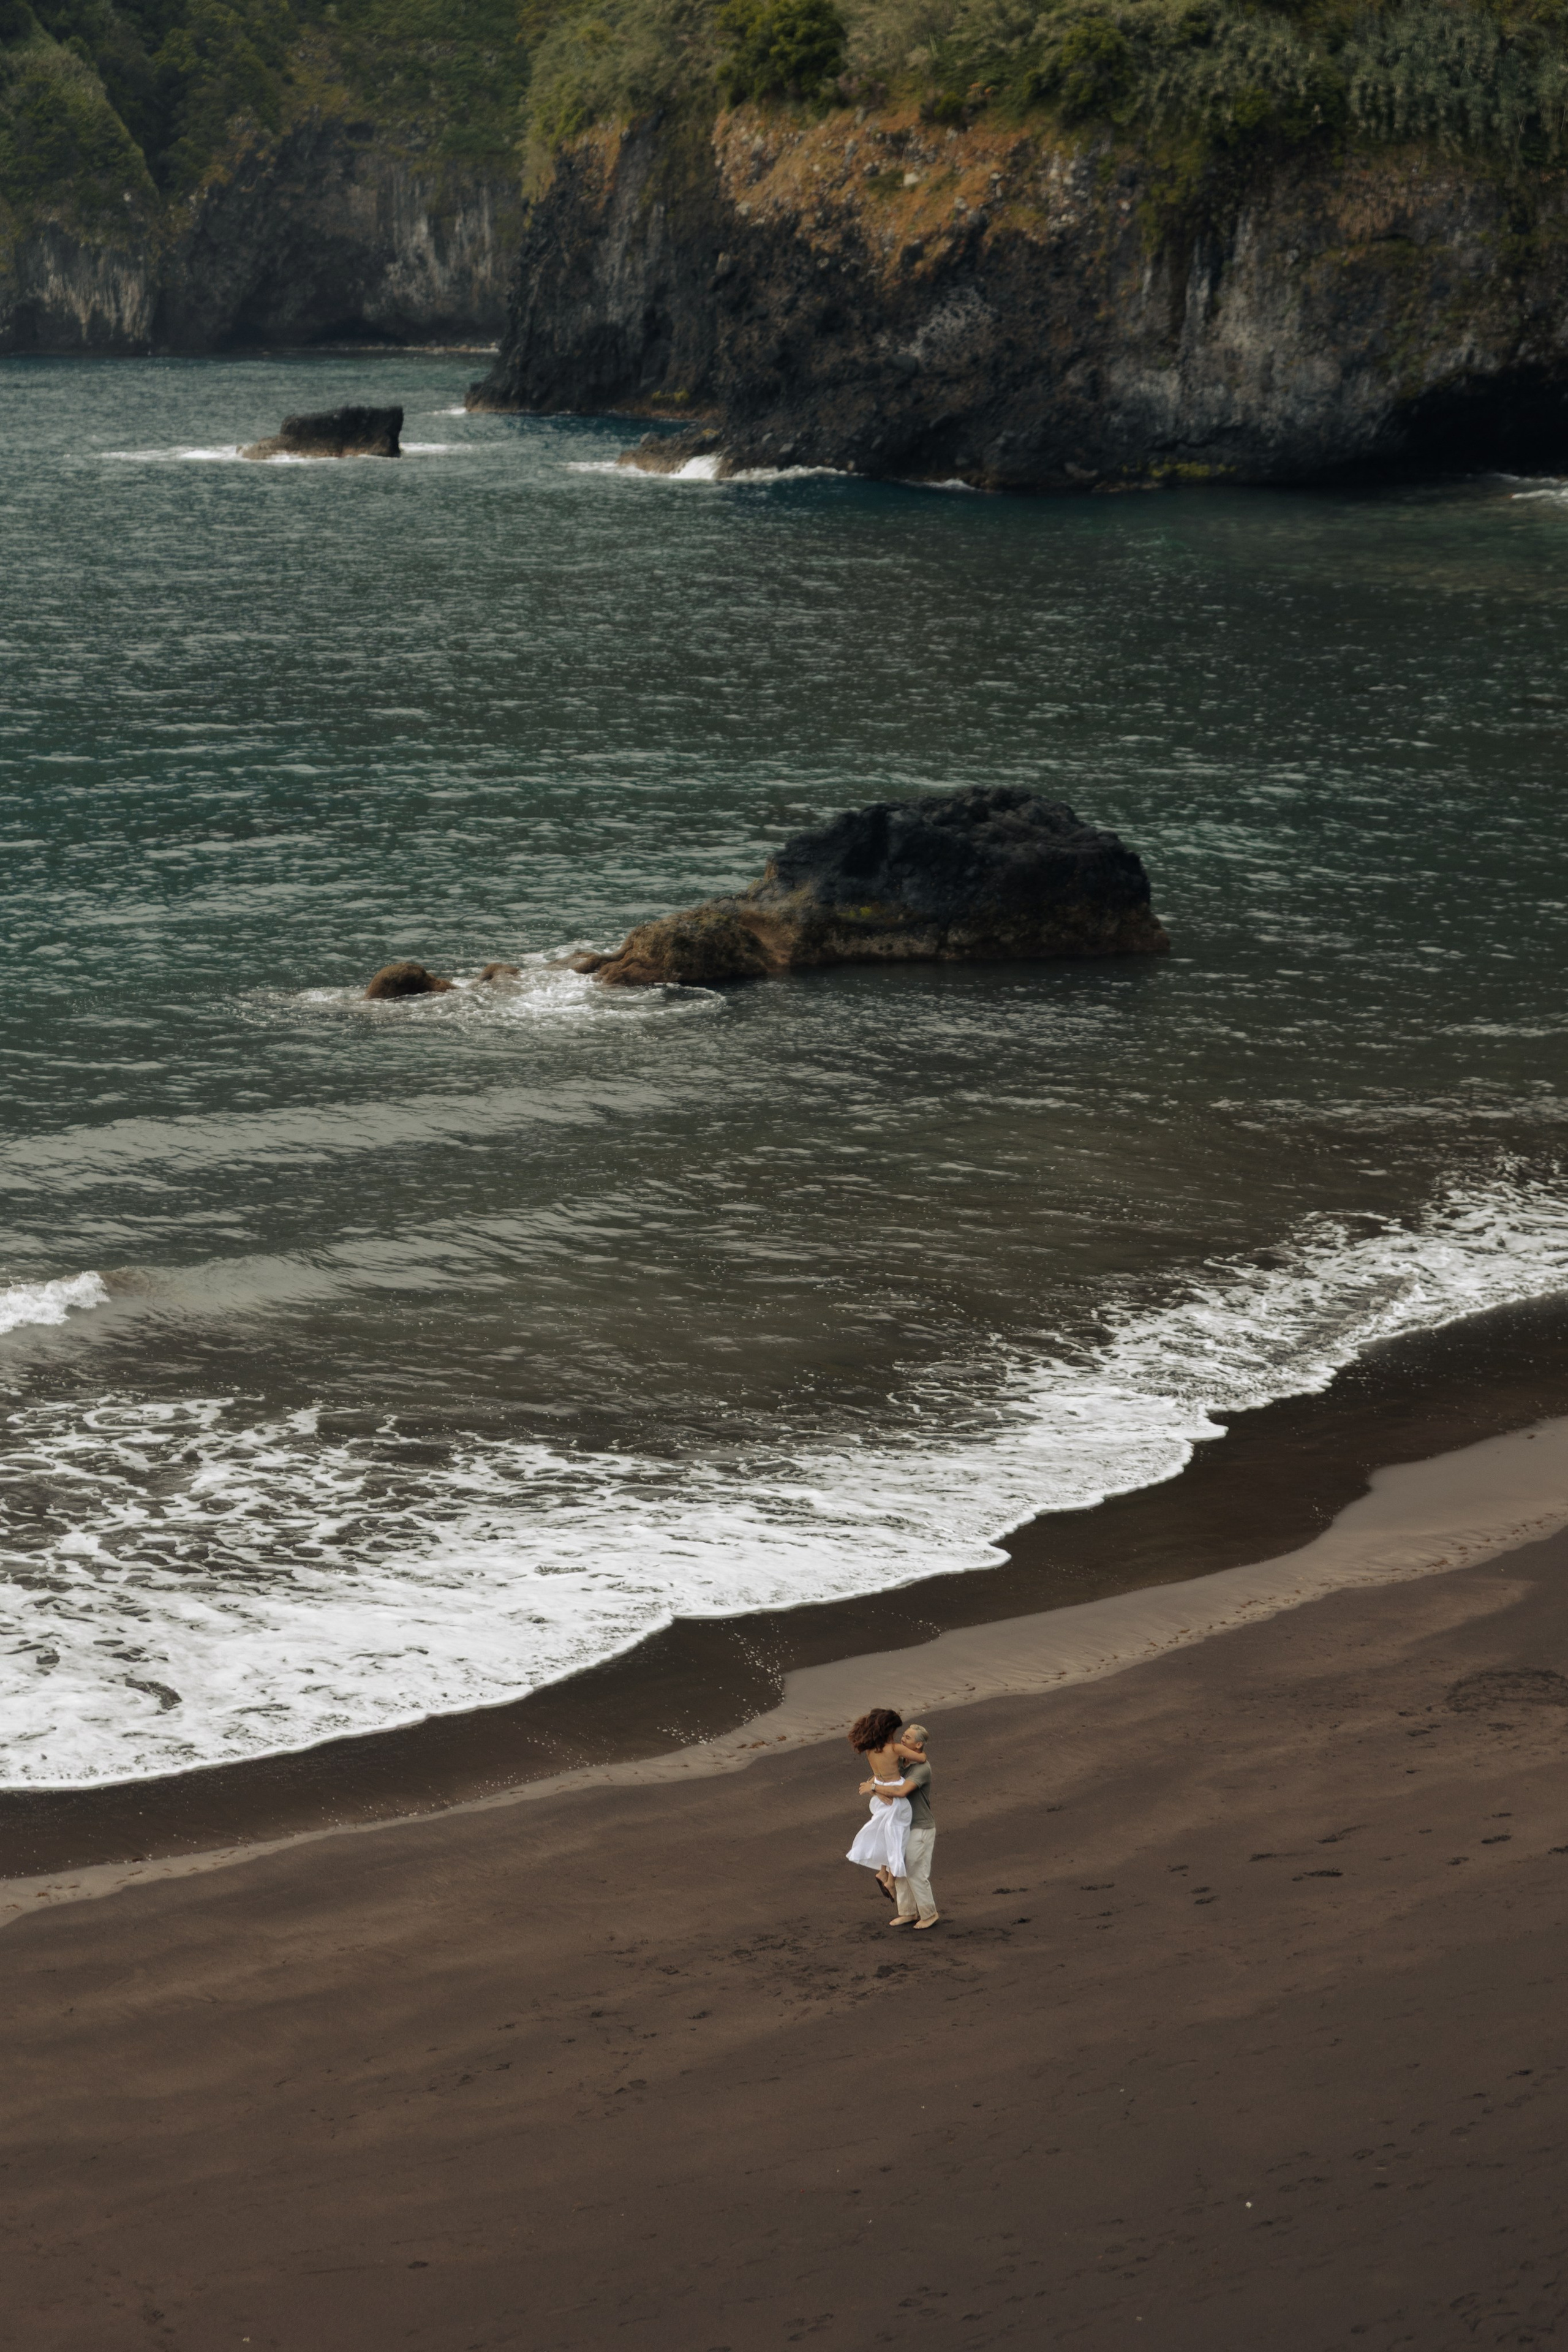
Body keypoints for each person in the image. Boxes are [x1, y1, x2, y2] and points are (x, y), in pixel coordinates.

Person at [861, 1721, 938, 1929]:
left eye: (908, 1738)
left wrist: (875, 1787)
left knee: (914, 1871)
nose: (902, 1739)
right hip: (902, 1826)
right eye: (903, 1735)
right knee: (900, 1867)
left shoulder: (921, 1768)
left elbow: (902, 1791)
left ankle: (929, 1914)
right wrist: (873, 1788)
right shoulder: (902, 1764)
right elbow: (880, 1779)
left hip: (920, 1827)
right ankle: (908, 1912)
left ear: (919, 1745)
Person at [844, 1708, 911, 1894]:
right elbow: (919, 1759)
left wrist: (873, 1788)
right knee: (897, 1837)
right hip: (892, 1798)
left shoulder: (871, 1750)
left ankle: (883, 1873)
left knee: (884, 1834)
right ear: (888, 1730)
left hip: (879, 1799)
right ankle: (890, 1880)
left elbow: (876, 1776)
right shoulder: (894, 1749)